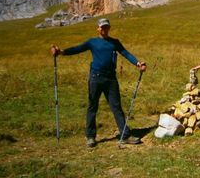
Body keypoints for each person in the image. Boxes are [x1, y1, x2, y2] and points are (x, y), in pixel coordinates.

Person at [50, 18, 147, 147]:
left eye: (106, 27)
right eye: (102, 27)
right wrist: (61, 52)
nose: (104, 29)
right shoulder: (92, 42)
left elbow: (125, 53)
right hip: (96, 78)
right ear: (98, 28)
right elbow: (77, 49)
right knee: (92, 107)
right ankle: (90, 137)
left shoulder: (114, 42)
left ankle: (125, 135)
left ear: (109, 28)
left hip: (111, 79)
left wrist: (137, 63)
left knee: (116, 107)